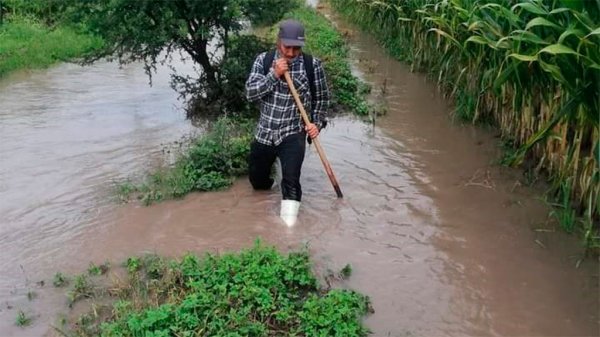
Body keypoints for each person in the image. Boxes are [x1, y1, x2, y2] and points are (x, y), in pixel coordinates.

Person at [245, 19, 330, 226]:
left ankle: (288, 233)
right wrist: (274, 75)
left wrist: (316, 123)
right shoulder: (263, 61)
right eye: (287, 47)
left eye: (296, 48)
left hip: (292, 133)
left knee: (291, 182)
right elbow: (250, 93)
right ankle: (269, 183)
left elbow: (322, 99)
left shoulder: (312, 65)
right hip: (265, 132)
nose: (291, 53)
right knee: (257, 182)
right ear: (278, 42)